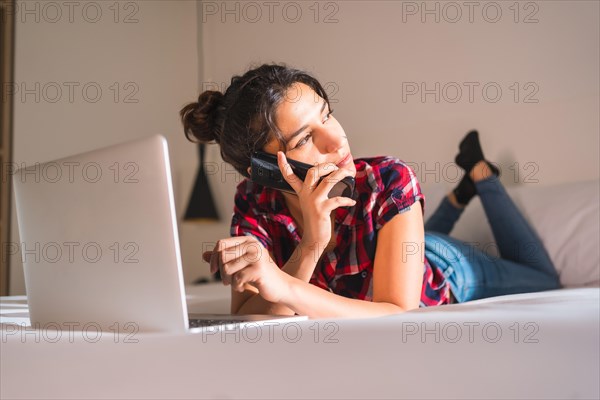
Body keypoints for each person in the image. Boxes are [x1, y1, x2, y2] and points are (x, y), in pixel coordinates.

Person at [180, 64, 561, 319]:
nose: (337, 139)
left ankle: (481, 176)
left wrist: (284, 285)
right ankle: (460, 195)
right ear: (262, 171)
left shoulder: (388, 178)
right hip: (398, 246)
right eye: (304, 139)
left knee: (545, 279)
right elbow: (250, 317)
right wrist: (311, 245)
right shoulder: (254, 199)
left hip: (446, 271)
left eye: (326, 114)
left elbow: (397, 312)